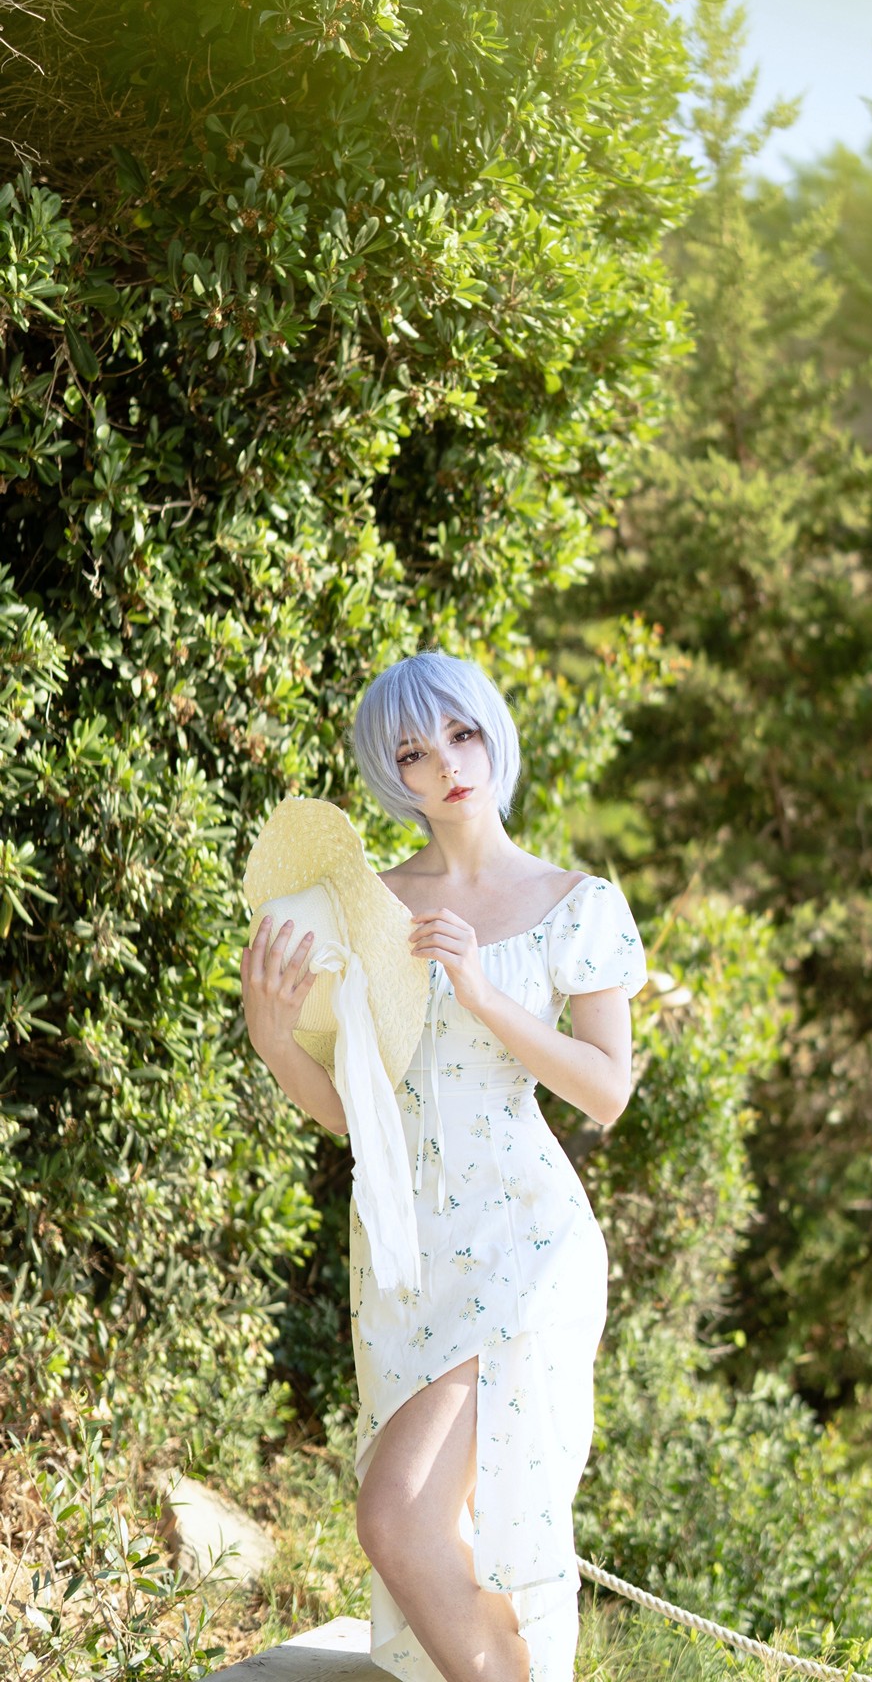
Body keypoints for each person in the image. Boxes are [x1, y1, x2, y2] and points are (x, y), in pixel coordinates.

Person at [240, 650, 648, 1682]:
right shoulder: (365, 909)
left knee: (399, 1513)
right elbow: (362, 1117)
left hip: (526, 1243)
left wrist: (482, 992)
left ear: (492, 733)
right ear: (395, 774)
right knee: (418, 1525)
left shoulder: (576, 903)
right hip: (406, 1255)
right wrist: (277, 1040)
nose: (448, 766)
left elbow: (606, 1090)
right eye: (415, 752)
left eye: (462, 734)